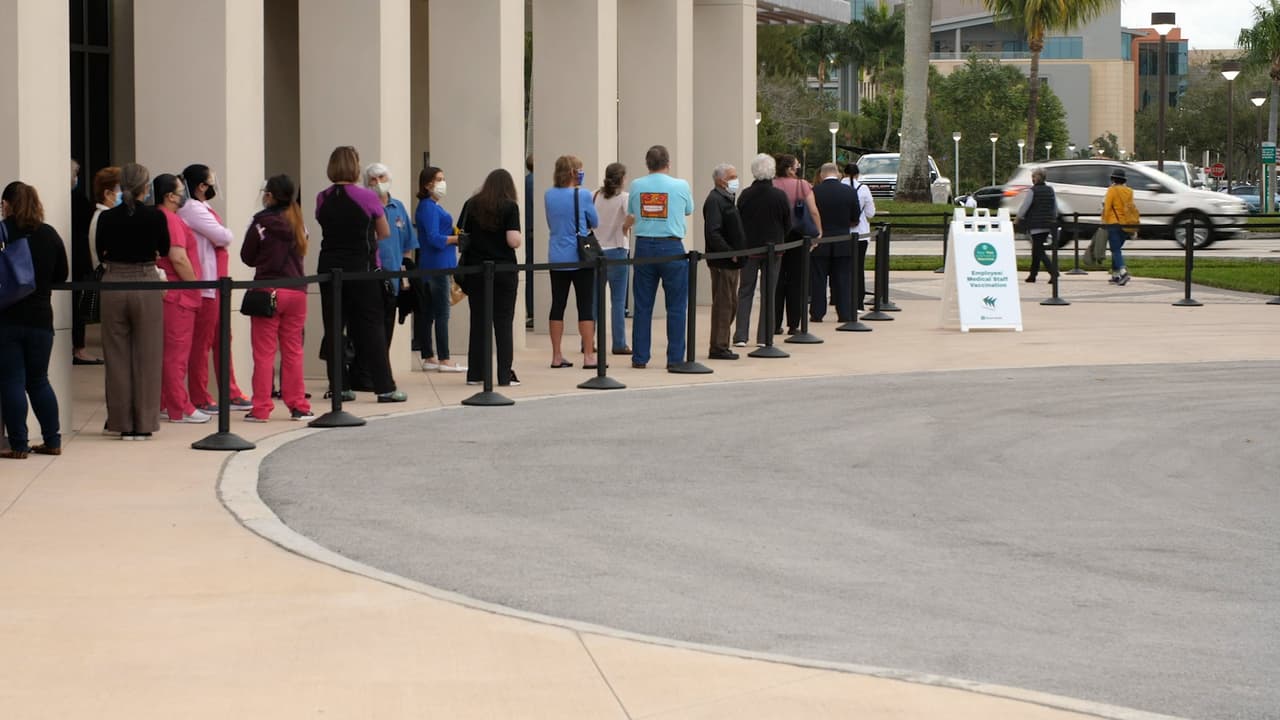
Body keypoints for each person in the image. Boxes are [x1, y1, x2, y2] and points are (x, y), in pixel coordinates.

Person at [315, 145, 406, 402]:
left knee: (334, 327)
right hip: (362, 269)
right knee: (372, 329)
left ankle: (339, 386)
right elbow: (384, 231)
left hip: (330, 268)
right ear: (355, 167)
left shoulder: (323, 197)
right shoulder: (367, 197)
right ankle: (384, 386)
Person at [95, 162, 168, 439]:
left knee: (116, 356)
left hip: (114, 281)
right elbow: (163, 248)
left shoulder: (107, 217)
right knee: (148, 354)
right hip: (146, 280)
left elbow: (101, 251)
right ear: (145, 187)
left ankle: (121, 422)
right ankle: (145, 423)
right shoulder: (155, 216)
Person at [0, 182, 69, 458]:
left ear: (8, 204)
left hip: (7, 318)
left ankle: (18, 445)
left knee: (12, 381)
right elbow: (61, 274)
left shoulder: (4, 233)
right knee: (39, 380)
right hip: (41, 319)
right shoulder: (49, 234)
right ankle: (52, 440)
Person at [240, 175, 313, 422]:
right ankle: (298, 405)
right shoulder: (299, 222)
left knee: (264, 353)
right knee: (293, 351)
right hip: (297, 291)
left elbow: (247, 256)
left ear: (269, 195)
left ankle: (261, 407)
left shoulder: (261, 223)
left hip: (268, 291)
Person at [178, 164, 250, 413]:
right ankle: (199, 395)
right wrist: (224, 234)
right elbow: (224, 236)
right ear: (200, 186)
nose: (212, 185)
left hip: (218, 282)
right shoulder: (191, 209)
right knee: (202, 342)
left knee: (222, 339)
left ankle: (230, 391)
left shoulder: (201, 208)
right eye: (209, 181)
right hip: (206, 284)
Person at [626, 145, 694, 369]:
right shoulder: (680, 185)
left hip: (644, 244)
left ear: (647, 164)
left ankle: (640, 357)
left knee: (643, 305)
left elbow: (633, 210)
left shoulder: (637, 185)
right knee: (676, 305)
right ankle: (674, 358)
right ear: (668, 163)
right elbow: (688, 210)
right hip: (671, 245)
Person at [458, 169, 522, 387]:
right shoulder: (509, 206)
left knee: (479, 322)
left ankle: (476, 373)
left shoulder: (471, 203)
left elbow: (462, 235)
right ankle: (504, 375)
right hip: (503, 270)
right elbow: (513, 240)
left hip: (475, 271)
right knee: (503, 323)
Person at [155, 174, 209, 424]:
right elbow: (178, 257)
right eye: (179, 190)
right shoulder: (171, 220)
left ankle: (166, 402)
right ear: (169, 196)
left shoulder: (161, 218)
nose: (183, 193)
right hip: (179, 296)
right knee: (176, 355)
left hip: (173, 295)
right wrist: (195, 286)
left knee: (169, 353)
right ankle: (180, 407)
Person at [545, 155, 599, 369]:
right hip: (580, 256)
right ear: (573, 172)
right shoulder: (583, 194)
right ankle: (588, 356)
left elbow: (551, 222)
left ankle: (557, 355)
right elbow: (594, 221)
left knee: (557, 304)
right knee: (585, 305)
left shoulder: (549, 195)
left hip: (556, 255)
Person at [734, 153, 791, 348]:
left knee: (745, 291)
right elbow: (787, 222)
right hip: (774, 249)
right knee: (769, 292)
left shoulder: (745, 195)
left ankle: (741, 335)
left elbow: (738, 221)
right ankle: (764, 336)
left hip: (749, 249)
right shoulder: (779, 195)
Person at [412, 165, 464, 372]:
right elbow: (433, 238)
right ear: (427, 184)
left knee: (430, 313)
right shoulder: (428, 207)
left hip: (437, 263)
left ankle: (429, 356)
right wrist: (456, 239)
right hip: (437, 264)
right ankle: (444, 358)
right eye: (438, 179)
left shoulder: (432, 206)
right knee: (441, 312)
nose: (443, 183)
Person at [364, 162, 420, 349]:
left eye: (382, 178)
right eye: (373, 179)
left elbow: (407, 246)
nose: (378, 182)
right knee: (370, 330)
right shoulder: (365, 209)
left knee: (387, 330)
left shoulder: (399, 208)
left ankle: (381, 373)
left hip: (393, 280)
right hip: (370, 277)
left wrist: (403, 275)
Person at [771, 154, 821, 334]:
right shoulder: (803, 185)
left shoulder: (772, 185)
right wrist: (818, 231)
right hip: (798, 236)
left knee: (776, 281)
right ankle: (794, 324)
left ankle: (775, 323)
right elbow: (813, 211)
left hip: (777, 236)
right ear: (790, 168)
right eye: (796, 165)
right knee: (796, 281)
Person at [701, 163, 745, 360]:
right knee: (723, 304)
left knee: (731, 303)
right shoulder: (715, 200)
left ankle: (722, 343)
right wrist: (729, 252)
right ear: (721, 180)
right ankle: (718, 346)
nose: (736, 180)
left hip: (731, 261)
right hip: (722, 262)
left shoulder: (727, 199)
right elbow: (713, 231)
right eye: (732, 177)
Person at [810, 163, 858, 322]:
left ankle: (817, 313)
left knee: (818, 278)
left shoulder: (814, 192)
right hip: (843, 240)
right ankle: (844, 313)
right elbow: (855, 218)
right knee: (843, 278)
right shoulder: (849, 192)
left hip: (820, 240)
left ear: (822, 175)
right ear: (837, 174)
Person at [594, 162, 633, 355]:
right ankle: (618, 342)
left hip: (596, 251)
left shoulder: (596, 195)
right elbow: (632, 216)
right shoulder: (624, 197)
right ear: (622, 179)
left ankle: (587, 341)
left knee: (593, 299)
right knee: (617, 300)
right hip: (617, 249)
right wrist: (625, 228)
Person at [69, 159, 99, 365]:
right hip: (78, 258)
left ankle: (77, 346)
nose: (76, 177)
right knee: (78, 306)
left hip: (76, 257)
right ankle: (78, 348)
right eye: (74, 173)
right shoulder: (77, 200)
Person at [841, 163, 876, 310]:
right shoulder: (863, 189)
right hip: (861, 233)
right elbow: (870, 213)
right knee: (858, 268)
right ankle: (858, 302)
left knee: (841, 269)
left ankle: (841, 300)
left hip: (841, 234)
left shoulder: (839, 187)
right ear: (857, 174)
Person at [1017, 167, 1060, 284]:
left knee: (1039, 250)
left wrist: (1018, 217)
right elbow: (1055, 207)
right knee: (1036, 250)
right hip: (1047, 224)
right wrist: (1053, 218)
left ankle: (1053, 272)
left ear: (1039, 178)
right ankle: (1032, 275)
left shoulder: (1033, 191)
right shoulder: (1050, 190)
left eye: (1034, 177)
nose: (1032, 179)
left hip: (1036, 225)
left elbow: (1025, 206)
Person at [1101, 168, 1135, 286]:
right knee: (1116, 249)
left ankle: (1123, 272)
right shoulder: (1129, 191)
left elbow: (1107, 207)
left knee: (1115, 249)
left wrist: (1104, 221)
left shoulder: (1111, 190)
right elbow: (1130, 207)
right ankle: (1115, 275)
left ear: (1113, 179)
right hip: (1126, 224)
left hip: (1113, 223)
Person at [524, 155, 535, 328]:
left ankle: (532, 309)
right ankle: (533, 310)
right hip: (533, 231)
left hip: (529, 230)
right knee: (532, 271)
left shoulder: (526, 180)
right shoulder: (534, 182)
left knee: (530, 272)